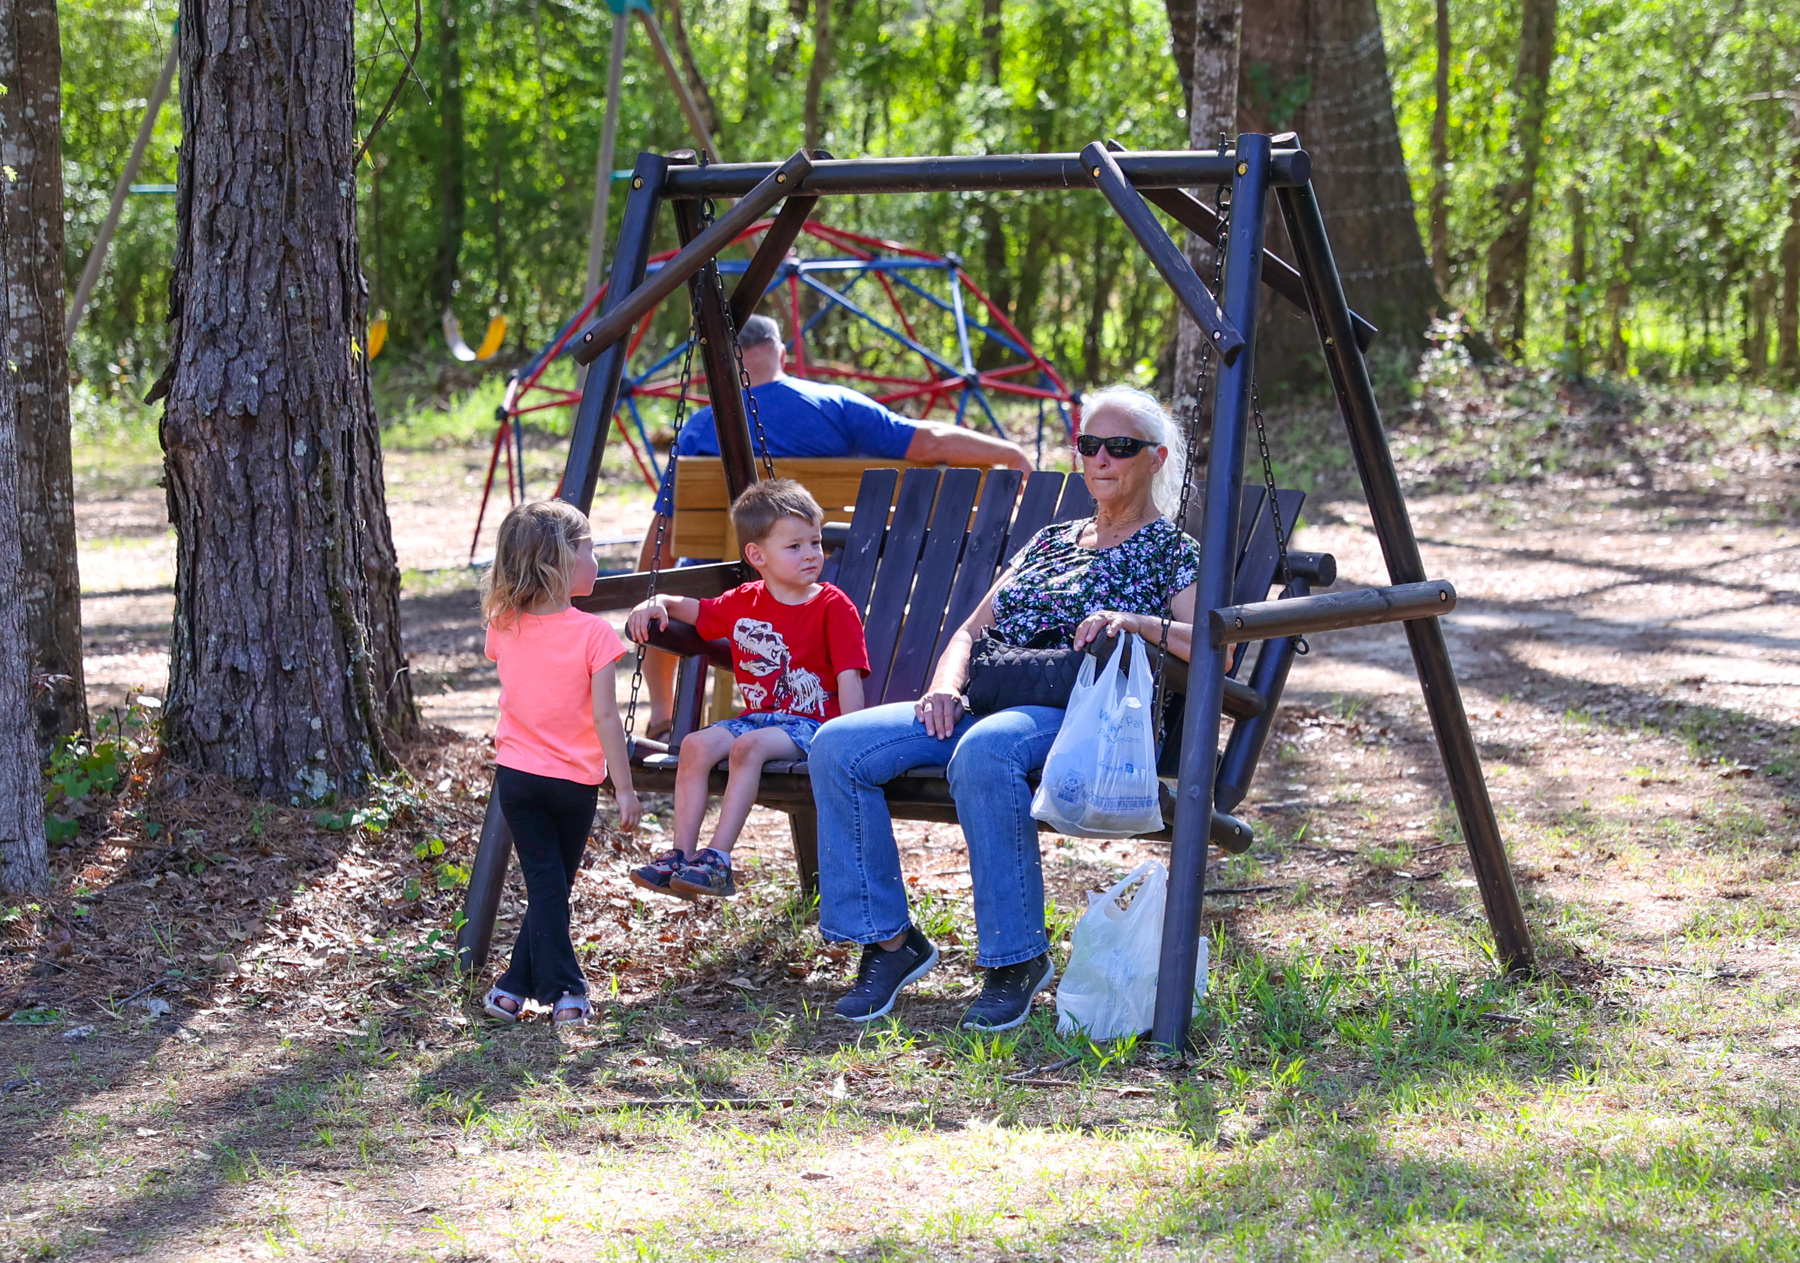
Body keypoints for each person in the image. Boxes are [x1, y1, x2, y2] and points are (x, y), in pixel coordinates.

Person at [806, 386, 1202, 1031]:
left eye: (1120, 447)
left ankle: (1015, 959)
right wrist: (943, 685)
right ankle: (888, 942)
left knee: (986, 750)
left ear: (1155, 459)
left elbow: (1213, 647)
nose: (1101, 458)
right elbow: (971, 630)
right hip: (991, 694)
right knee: (839, 746)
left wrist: (1135, 621)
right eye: (1090, 445)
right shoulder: (1050, 540)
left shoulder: (1170, 549)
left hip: (1083, 712)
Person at [634, 313, 1033, 739]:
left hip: (723, 582)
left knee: (674, 595)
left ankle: (662, 717)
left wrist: (645, 588)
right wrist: (1008, 453)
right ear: (780, 353)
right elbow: (929, 441)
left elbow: (664, 531)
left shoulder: (700, 425)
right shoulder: (835, 406)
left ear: (726, 358)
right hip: (824, 583)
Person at [625, 480, 871, 899]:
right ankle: (681, 855)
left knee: (748, 747)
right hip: (762, 720)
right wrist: (658, 601)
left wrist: (848, 743)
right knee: (695, 745)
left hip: (816, 727)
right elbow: (697, 610)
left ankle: (718, 859)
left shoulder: (833, 606)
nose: (811, 554)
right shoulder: (745, 600)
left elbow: (850, 678)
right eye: (794, 546)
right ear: (757, 556)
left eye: (815, 542)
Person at [478, 500, 641, 1028]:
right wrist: (625, 788)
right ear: (560, 561)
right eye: (590, 550)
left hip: (518, 780)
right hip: (571, 785)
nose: (598, 561)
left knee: (549, 886)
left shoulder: (503, 623)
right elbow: (606, 717)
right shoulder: (594, 634)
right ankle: (567, 990)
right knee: (551, 885)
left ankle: (512, 987)